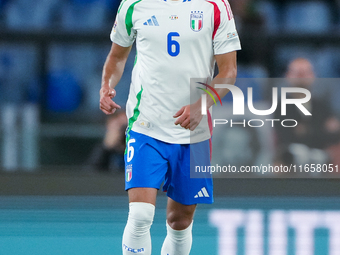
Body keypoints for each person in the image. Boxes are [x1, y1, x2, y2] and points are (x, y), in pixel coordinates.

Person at [99, 0, 241, 254]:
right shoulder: (133, 5)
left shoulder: (215, 6)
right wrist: (107, 84)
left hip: (193, 130)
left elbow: (228, 71)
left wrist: (202, 103)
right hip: (145, 124)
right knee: (141, 214)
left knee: (180, 221)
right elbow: (117, 57)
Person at [274, 58, 340, 165]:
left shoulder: (322, 106)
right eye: (297, 73)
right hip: (291, 161)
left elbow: (335, 135)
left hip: (321, 159)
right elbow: (287, 136)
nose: (301, 77)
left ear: (313, 75)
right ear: (287, 76)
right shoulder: (281, 106)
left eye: (305, 72)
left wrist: (306, 130)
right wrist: (322, 129)